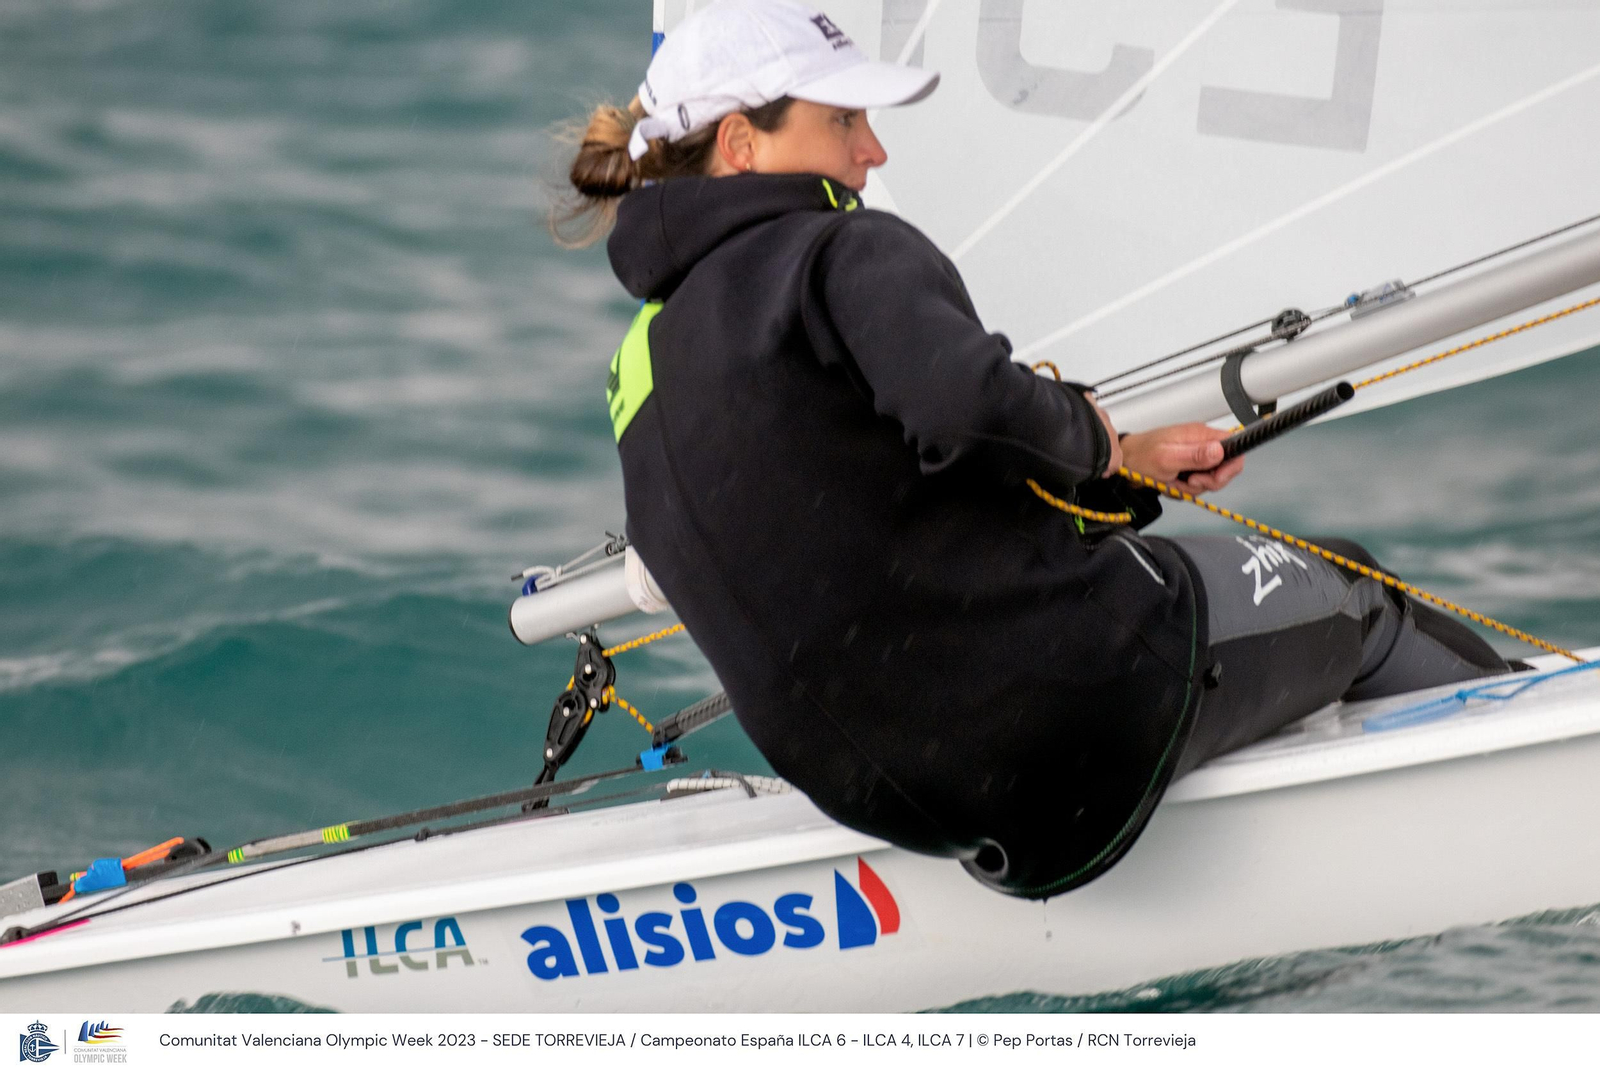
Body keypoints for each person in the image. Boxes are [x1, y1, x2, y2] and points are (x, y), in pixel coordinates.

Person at [553, 0, 1511, 898]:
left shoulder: (635, 371)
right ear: (739, 142)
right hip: (1069, 708)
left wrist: (1119, 460)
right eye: (844, 121)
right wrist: (1095, 435)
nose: (872, 152)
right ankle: (1534, 770)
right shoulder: (839, 251)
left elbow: (851, 511)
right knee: (1353, 591)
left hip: (891, 798)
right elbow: (964, 408)